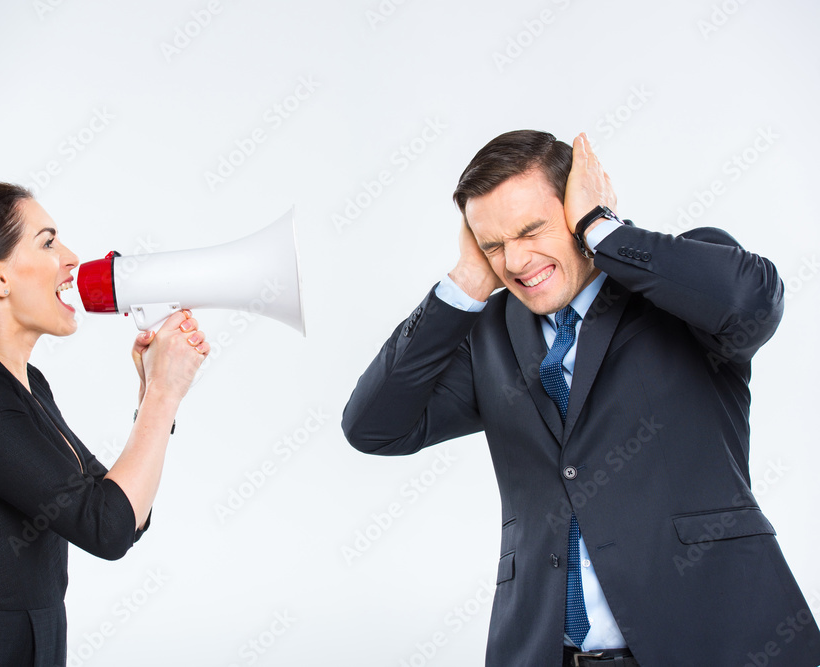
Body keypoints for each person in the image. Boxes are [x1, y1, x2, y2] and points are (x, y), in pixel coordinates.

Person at [341, 130, 820, 666]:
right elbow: (373, 427)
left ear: (574, 208)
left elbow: (752, 303)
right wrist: (466, 281)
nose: (516, 261)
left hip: (719, 643)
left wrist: (602, 229)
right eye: (494, 245)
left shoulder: (679, 291)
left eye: (531, 230)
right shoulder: (489, 335)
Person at [0, 182, 209, 666]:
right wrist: (163, 397)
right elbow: (107, 528)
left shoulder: (26, 384)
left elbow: (125, 515)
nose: (71, 258)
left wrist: (152, 392)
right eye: (47, 243)